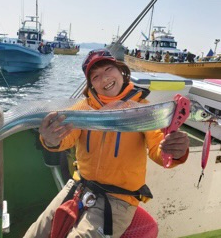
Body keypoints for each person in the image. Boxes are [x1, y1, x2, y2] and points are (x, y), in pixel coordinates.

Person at [24, 49, 190, 238]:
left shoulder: (143, 108)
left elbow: (157, 148)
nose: (104, 79)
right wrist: (51, 140)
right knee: (34, 234)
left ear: (121, 71)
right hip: (79, 187)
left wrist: (174, 150)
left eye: (108, 69)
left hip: (118, 199)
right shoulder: (83, 108)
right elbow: (65, 138)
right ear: (91, 84)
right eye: (95, 76)